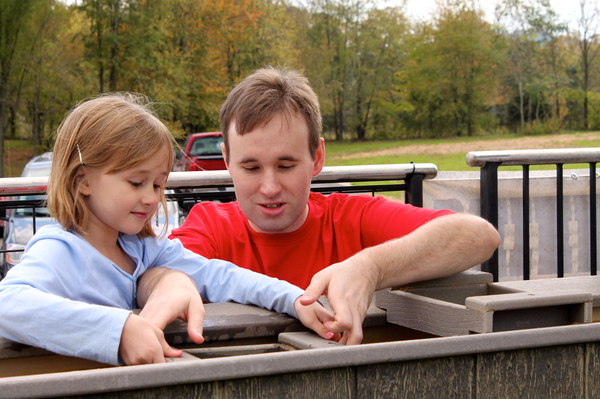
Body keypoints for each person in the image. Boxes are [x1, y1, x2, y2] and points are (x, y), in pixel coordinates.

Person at [138, 67, 501, 345]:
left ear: (317, 157)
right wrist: (166, 282)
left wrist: (370, 267)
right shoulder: (210, 224)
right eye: (250, 167)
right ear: (227, 161)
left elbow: (478, 235)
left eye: (286, 165)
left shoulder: (352, 216)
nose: (269, 187)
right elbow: (150, 274)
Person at [0, 92, 336, 366]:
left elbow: (221, 275)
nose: (150, 198)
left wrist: (293, 298)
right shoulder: (59, 249)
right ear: (83, 180)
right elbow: (10, 304)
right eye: (136, 182)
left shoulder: (145, 249)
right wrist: (118, 331)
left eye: (158, 185)